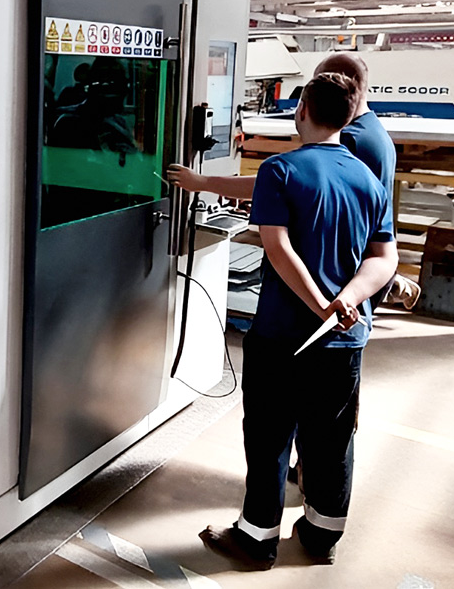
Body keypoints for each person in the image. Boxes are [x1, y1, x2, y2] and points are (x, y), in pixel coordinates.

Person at [195, 72, 397, 569]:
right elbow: (384, 258)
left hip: (282, 335)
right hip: (345, 340)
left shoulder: (280, 170)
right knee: (332, 439)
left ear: (302, 109)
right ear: (349, 117)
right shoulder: (368, 180)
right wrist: (346, 300)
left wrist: (320, 303)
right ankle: (322, 535)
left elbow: (277, 247)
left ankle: (256, 539)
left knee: (269, 437)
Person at [168, 52, 420, 309]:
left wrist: (203, 183)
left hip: (325, 280)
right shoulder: (375, 133)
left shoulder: (348, 141)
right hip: (352, 281)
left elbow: (278, 193)